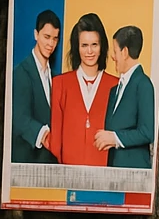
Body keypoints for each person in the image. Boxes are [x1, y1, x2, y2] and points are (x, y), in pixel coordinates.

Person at [46, 12, 118, 166]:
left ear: (102, 46)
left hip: (105, 177)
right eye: (84, 45)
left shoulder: (116, 85)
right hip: (68, 176)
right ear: (76, 47)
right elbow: (56, 139)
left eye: (94, 45)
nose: (90, 52)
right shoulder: (60, 84)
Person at [95, 25, 155, 168]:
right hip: (114, 172)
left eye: (115, 51)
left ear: (125, 52)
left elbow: (147, 132)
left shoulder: (144, 85)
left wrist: (115, 138)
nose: (113, 57)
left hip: (133, 173)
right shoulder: (114, 90)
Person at [11, 10, 60, 163]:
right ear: (36, 34)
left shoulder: (56, 77)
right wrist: (45, 135)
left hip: (51, 165)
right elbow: (19, 118)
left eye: (55, 38)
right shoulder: (20, 72)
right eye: (46, 37)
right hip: (26, 162)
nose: (51, 44)